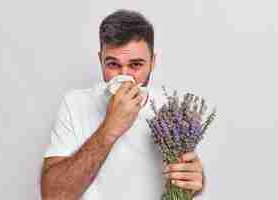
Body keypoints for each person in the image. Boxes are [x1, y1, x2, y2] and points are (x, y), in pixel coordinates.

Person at [41, 9, 205, 200]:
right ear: (100, 60)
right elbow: (52, 195)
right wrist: (110, 128)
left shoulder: (173, 111)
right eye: (113, 64)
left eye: (136, 65)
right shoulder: (75, 103)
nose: (125, 76)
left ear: (152, 62)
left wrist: (196, 181)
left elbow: (192, 175)